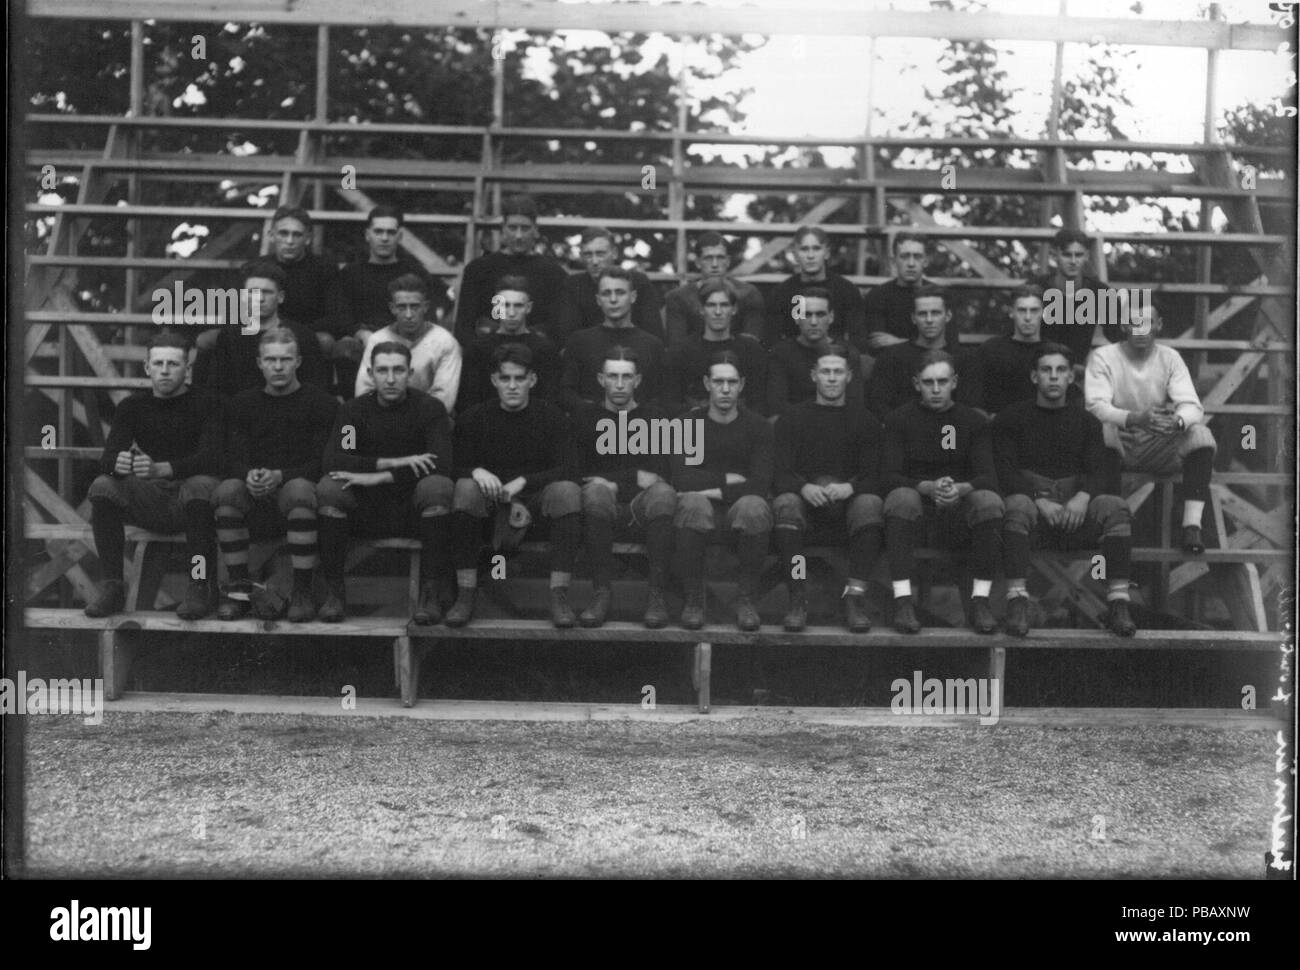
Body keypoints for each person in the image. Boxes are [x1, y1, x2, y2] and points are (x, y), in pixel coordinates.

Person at [993, 343, 1137, 637]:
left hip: (1075, 517)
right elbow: (1004, 471)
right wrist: (1039, 501)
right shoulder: (1011, 418)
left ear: (1072, 377)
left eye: (1061, 370)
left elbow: (1099, 470)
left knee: (1114, 507)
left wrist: (1082, 498)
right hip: (1034, 520)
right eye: (1046, 370)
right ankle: (1017, 602)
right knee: (1017, 504)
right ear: (1035, 377)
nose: (1054, 377)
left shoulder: (1088, 422)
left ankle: (1118, 604)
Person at [83, 330, 223, 620]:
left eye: (173, 364)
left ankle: (199, 585)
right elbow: (107, 458)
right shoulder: (133, 406)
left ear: (187, 369)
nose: (164, 371)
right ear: (147, 368)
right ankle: (112, 587)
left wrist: (165, 468)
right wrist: (118, 465)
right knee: (103, 485)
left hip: (195, 497)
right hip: (154, 497)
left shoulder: (208, 402)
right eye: (158, 364)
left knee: (200, 486)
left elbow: (214, 457)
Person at [315, 342, 455, 623]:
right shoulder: (354, 413)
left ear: (410, 372)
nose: (390, 379)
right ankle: (334, 593)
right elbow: (337, 460)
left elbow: (440, 463)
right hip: (366, 508)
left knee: (437, 486)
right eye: (382, 370)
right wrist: (392, 462)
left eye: (398, 370)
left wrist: (380, 477)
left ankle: (430, 594)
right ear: (370, 372)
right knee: (329, 488)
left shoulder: (428, 409)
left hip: (413, 508)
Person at [445, 343, 582, 628]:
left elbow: (570, 468)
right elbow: (449, 465)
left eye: (519, 379)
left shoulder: (551, 417)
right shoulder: (474, 417)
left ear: (532, 380)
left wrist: (523, 482)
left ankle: (559, 597)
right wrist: (476, 470)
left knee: (566, 491)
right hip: (489, 506)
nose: (512, 386)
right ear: (494, 380)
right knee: (465, 487)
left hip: (535, 505)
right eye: (505, 378)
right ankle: (465, 594)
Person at [213, 327, 340, 622]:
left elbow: (325, 461)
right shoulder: (242, 403)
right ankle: (238, 592)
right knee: (227, 491)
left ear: (298, 361)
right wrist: (250, 475)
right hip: (254, 492)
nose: (278, 366)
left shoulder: (322, 404)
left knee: (297, 490)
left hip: (299, 494)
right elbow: (229, 456)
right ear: (259, 363)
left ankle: (302, 591)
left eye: (285, 359)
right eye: (271, 360)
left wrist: (279, 475)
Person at [881, 351, 1004, 634]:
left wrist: (961, 489)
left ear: (954, 382)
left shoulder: (974, 421)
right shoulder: (899, 420)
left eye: (942, 381)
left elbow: (988, 475)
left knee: (989, 501)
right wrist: (927, 487)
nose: (936, 389)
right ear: (916, 384)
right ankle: (903, 601)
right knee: (900, 497)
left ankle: (981, 601)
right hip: (917, 516)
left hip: (959, 515)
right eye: (928, 382)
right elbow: (887, 476)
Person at [1084, 301, 1216, 553]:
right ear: (1124, 326)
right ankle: (1110, 523)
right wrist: (1134, 418)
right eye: (1134, 323)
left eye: (1148, 323)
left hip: (1156, 439)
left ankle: (1191, 526)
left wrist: (1177, 422)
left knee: (1200, 435)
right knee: (1102, 430)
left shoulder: (1169, 357)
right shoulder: (1103, 356)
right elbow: (1095, 407)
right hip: (1118, 441)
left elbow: (1191, 405)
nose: (1142, 330)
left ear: (1158, 325)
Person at [771, 342, 884, 632]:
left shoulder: (866, 421)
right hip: (806, 505)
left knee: (870, 503)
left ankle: (854, 599)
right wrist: (803, 487)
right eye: (825, 372)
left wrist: (851, 487)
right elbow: (779, 472)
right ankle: (798, 597)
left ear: (848, 376)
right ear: (814, 375)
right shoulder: (792, 418)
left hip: (847, 508)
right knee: (785, 502)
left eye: (838, 372)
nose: (831, 378)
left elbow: (876, 475)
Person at [571, 347, 677, 628]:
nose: (619, 384)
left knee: (664, 494)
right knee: (595, 491)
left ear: (638, 380)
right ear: (600, 379)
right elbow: (576, 472)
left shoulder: (655, 416)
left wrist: (613, 479)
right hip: (597, 510)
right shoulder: (585, 417)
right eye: (613, 376)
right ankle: (600, 593)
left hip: (642, 510)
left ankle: (657, 596)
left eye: (626, 377)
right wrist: (630, 478)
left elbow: (659, 475)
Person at [669, 351, 774, 631]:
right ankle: (694, 600)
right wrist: (728, 480)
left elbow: (760, 484)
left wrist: (712, 490)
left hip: (739, 514)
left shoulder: (759, 427)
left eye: (731, 382)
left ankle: (746, 600)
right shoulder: (685, 424)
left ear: (741, 384)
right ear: (707, 383)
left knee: (753, 505)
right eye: (718, 382)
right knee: (692, 502)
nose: (725, 389)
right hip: (696, 516)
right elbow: (681, 479)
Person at [325, 205, 434, 397]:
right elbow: (339, 314)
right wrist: (360, 332)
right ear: (367, 234)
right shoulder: (350, 273)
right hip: (362, 340)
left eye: (390, 232)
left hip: (405, 339)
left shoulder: (415, 273)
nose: (384, 238)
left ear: (399, 236)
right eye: (378, 231)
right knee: (344, 348)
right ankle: (354, 409)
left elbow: (429, 314)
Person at [203, 259, 329, 397]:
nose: (260, 298)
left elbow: (315, 389)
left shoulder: (302, 336)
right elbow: (217, 388)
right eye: (253, 292)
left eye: (267, 292)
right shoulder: (230, 337)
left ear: (280, 297)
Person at [453, 194, 569, 344]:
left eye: (525, 228)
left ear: (535, 230)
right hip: (488, 351)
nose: (519, 235)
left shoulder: (554, 274)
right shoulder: (478, 269)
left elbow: (559, 329)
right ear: (503, 229)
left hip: (536, 352)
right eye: (513, 228)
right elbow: (464, 328)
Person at [866, 284, 984, 417]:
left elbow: (970, 407)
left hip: (950, 433)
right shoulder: (891, 357)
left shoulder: (966, 359)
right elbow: (878, 405)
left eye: (935, 313)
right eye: (922, 314)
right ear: (913, 318)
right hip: (905, 432)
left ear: (948, 315)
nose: (929, 320)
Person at [560, 266, 666, 411]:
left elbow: (660, 396)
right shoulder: (579, 342)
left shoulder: (652, 345)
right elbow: (567, 392)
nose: (613, 299)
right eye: (606, 293)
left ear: (633, 296)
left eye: (620, 292)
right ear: (598, 299)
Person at [355, 273, 462, 413]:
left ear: (426, 307)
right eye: (401, 307)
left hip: (427, 419)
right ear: (392, 308)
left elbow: (444, 398)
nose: (408, 315)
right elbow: (364, 391)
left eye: (415, 307)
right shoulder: (377, 340)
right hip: (382, 417)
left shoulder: (445, 342)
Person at [662, 277, 767, 414]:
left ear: (734, 309)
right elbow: (669, 402)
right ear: (701, 309)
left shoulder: (751, 350)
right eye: (711, 305)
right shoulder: (681, 351)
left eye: (724, 305)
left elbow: (759, 403)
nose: (718, 312)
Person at [458, 276, 561, 413]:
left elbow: (550, 401)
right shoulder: (478, 349)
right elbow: (467, 400)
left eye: (518, 305)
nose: (511, 313)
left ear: (528, 307)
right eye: (505, 305)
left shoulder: (545, 349)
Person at [977, 283, 1081, 415]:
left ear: (1043, 312)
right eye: (1021, 310)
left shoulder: (1055, 354)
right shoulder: (991, 350)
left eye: (1034, 310)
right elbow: (976, 400)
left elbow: (1070, 402)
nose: (1027, 317)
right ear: (1011, 312)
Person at [1030, 227, 1121, 369]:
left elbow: (1118, 336)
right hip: (1037, 368)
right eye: (1067, 255)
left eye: (1078, 255)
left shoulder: (1099, 292)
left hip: (1078, 371)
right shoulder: (1036, 289)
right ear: (1055, 256)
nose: (1073, 261)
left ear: (1086, 256)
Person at [556, 226, 665, 345]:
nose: (595, 261)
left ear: (614, 253)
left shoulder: (638, 282)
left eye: (600, 254)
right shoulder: (573, 285)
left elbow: (655, 336)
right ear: (581, 256)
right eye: (588, 255)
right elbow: (566, 338)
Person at [766, 286, 865, 417]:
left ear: (831, 317)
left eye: (820, 314)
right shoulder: (781, 353)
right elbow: (776, 405)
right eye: (807, 315)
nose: (813, 322)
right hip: (795, 424)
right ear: (796, 317)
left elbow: (854, 403)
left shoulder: (848, 353)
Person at [764, 226, 866, 350]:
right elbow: (772, 340)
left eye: (816, 248)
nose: (810, 256)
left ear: (827, 252)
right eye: (804, 249)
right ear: (795, 255)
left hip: (834, 358)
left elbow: (858, 339)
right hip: (794, 359)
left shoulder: (847, 291)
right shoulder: (781, 293)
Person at [663, 232, 765, 345]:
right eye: (708, 258)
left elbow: (752, 343)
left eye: (720, 258)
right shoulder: (679, 298)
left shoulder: (748, 294)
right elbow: (676, 345)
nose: (715, 264)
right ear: (698, 262)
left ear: (728, 261)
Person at [862, 232, 932, 352]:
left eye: (917, 257)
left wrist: (898, 342)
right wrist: (923, 343)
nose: (911, 264)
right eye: (904, 257)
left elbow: (947, 345)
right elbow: (878, 345)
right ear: (893, 261)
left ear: (925, 261)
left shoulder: (939, 296)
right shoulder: (877, 296)